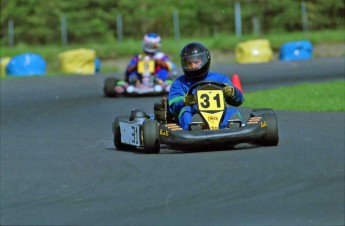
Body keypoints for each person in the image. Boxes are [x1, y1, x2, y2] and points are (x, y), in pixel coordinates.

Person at [168, 42, 244, 130]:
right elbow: (172, 108)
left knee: (233, 111)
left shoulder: (220, 78)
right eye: (189, 63)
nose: (193, 66)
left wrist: (232, 93)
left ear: (204, 60)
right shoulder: (179, 83)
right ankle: (193, 128)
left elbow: (239, 101)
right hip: (195, 114)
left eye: (196, 62)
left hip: (219, 115)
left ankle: (229, 128)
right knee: (186, 111)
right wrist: (184, 101)